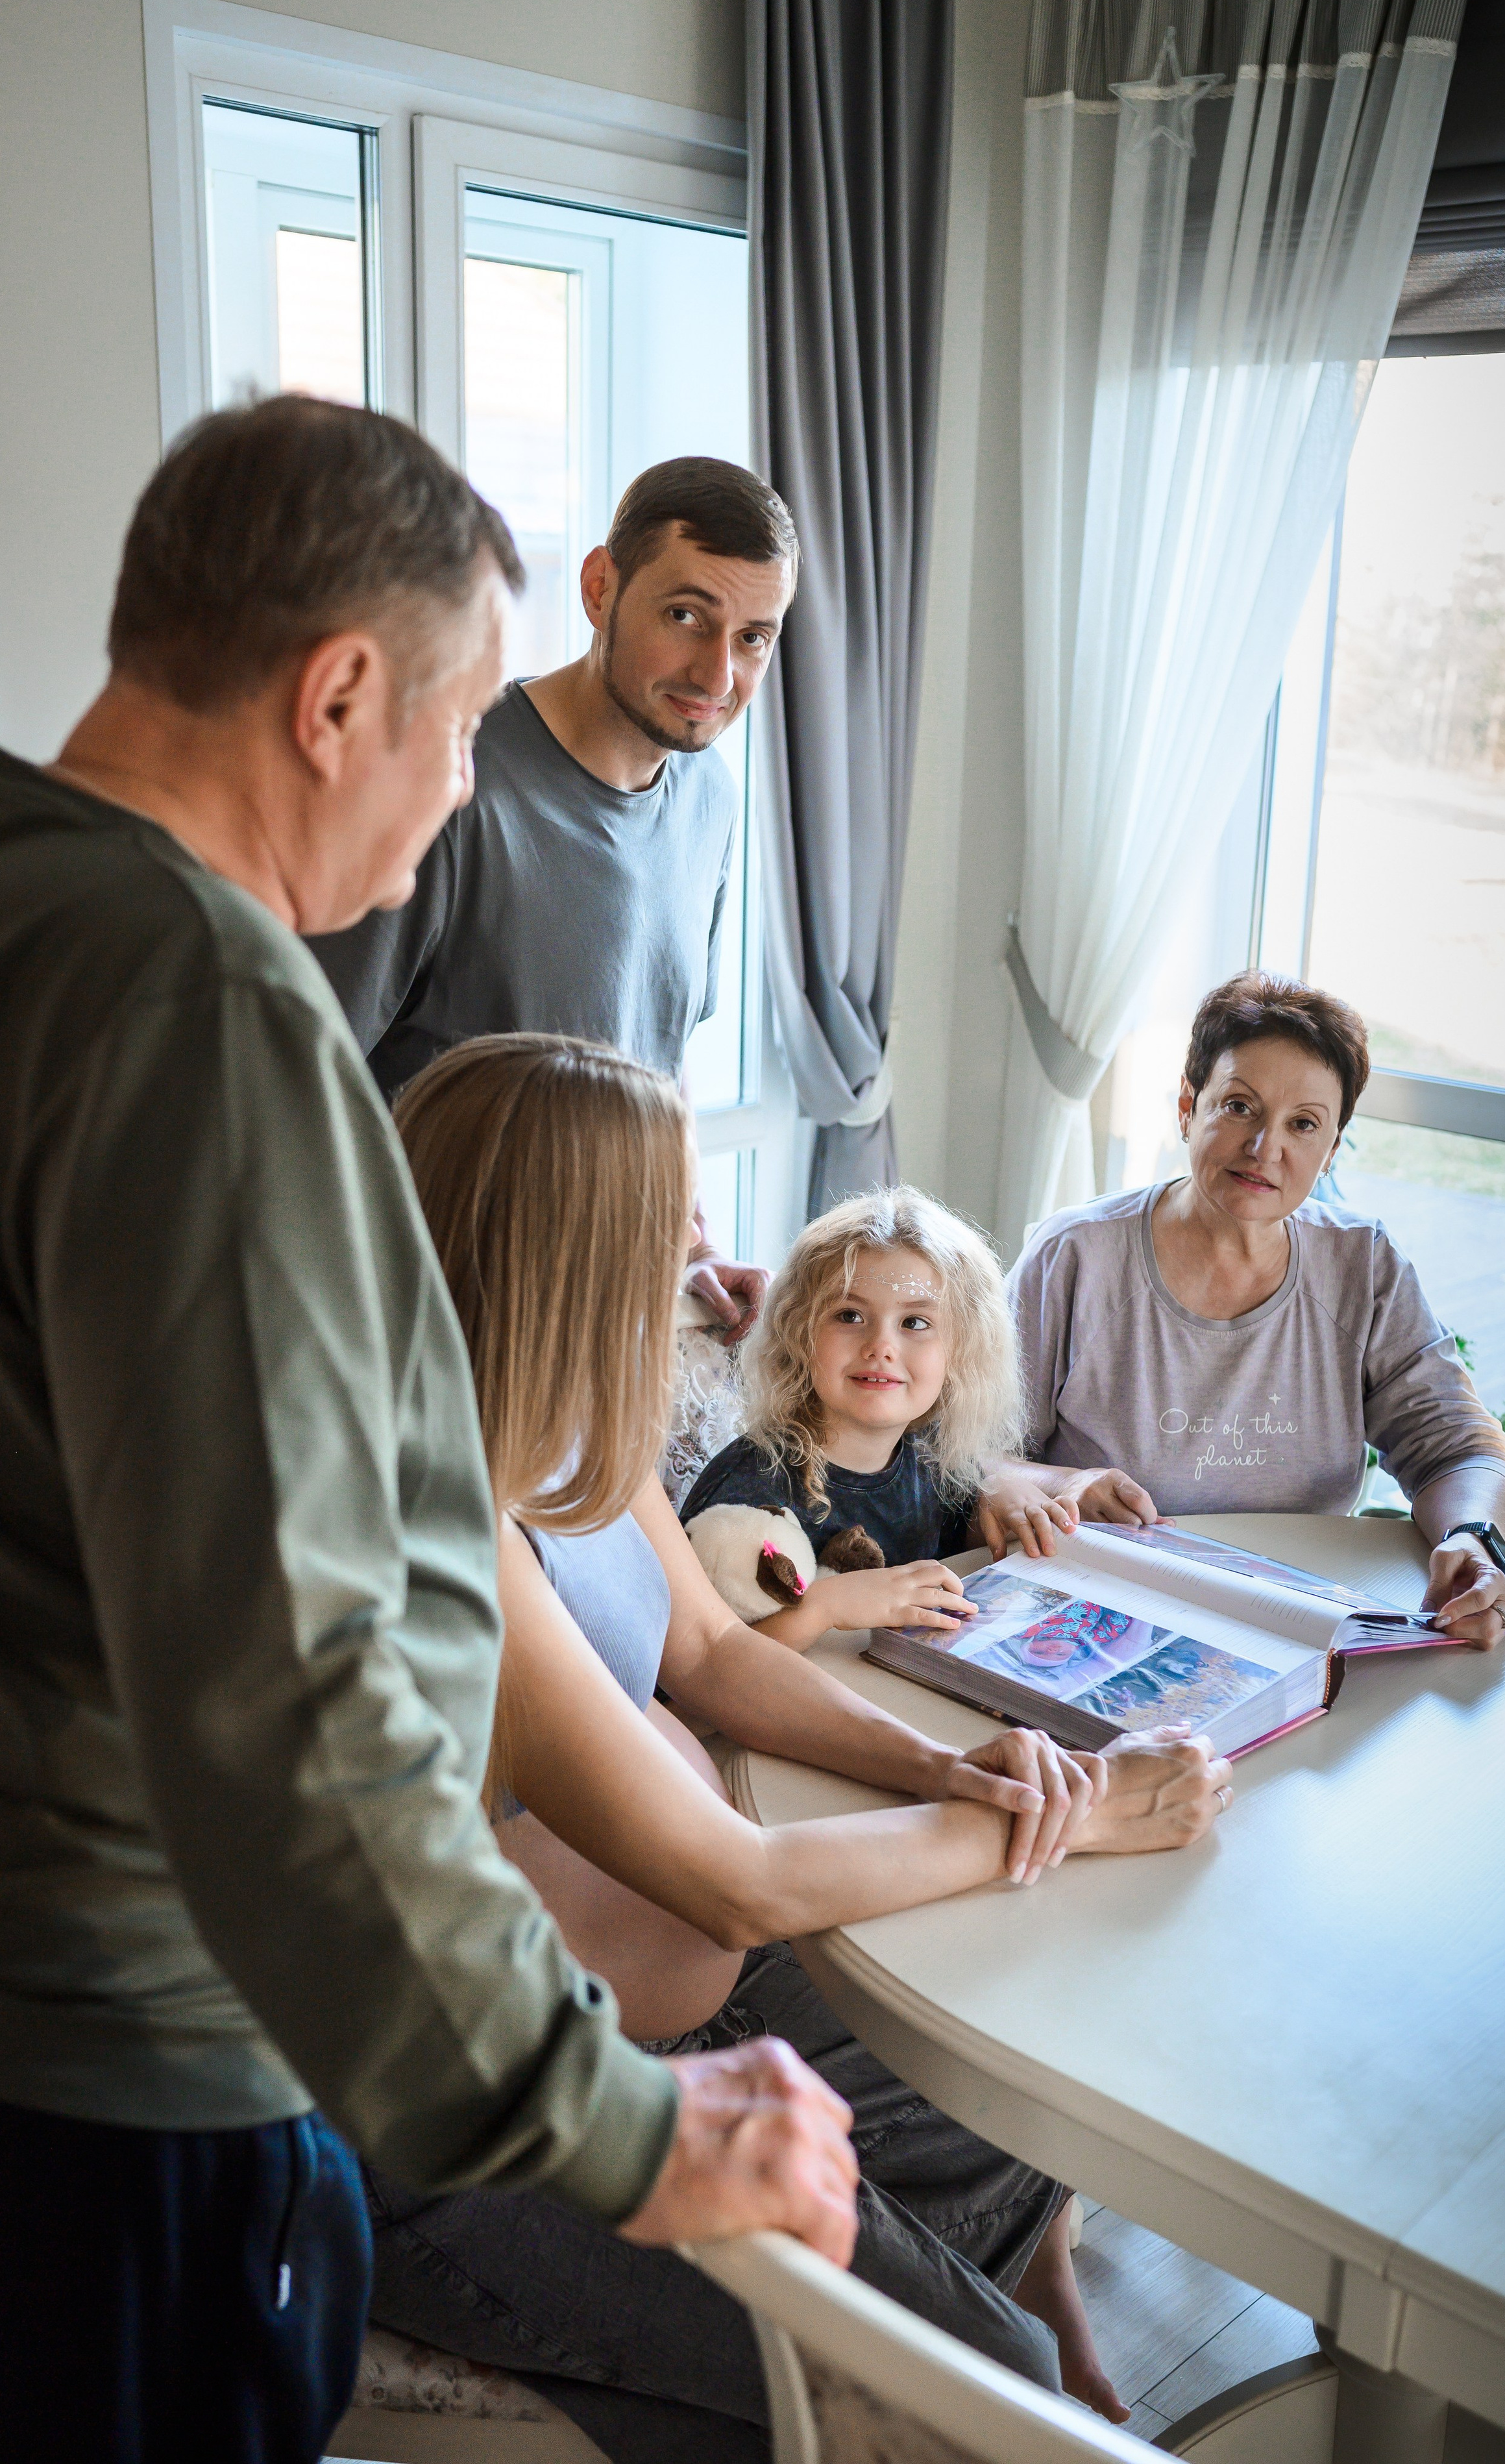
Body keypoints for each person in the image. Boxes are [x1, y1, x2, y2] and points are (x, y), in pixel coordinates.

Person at [0, 398, 858, 2464]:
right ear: (336, 694)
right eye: (454, 737)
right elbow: (290, 1689)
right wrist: (624, 2133)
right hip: (139, 2062)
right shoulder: (199, 1005)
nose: (457, 802)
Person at [368, 1033, 1233, 2456]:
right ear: (560, 1250)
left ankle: (945, 2284)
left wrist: (946, 1770)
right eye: (671, 1217)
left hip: (683, 1998)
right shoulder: (437, 1514)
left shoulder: (571, 1433)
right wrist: (1075, 1815)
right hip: (514, 2119)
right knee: (980, 2388)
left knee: (1019, 2084)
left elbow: (707, 1660)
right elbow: (736, 1884)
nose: (702, 1251)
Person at [310, 452, 794, 1337]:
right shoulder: (450, 785)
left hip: (605, 1332)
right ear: (601, 586)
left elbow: (660, 1052)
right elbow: (308, 1079)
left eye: (754, 637)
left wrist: (691, 1246)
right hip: (439, 1326)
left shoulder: (711, 798)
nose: (717, 675)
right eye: (686, 615)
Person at [999, 972, 1505, 1645]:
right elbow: (970, 1459)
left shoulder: (1362, 1265)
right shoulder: (1074, 1256)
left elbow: (1459, 1448)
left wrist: (1474, 1539)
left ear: (1331, 1148)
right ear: (1188, 1106)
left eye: (1302, 1124)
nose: (1264, 1149)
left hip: (1299, 1628)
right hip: (1096, 1612)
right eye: (1239, 1107)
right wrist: (1063, 1481)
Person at [681, 1187, 1078, 1651]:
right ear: (798, 1333)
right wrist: (826, 1605)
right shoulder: (748, 1485)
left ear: (962, 1350)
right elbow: (696, 1666)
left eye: (914, 1323)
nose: (881, 1346)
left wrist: (997, 1495)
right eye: (849, 1315)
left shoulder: (935, 1465)